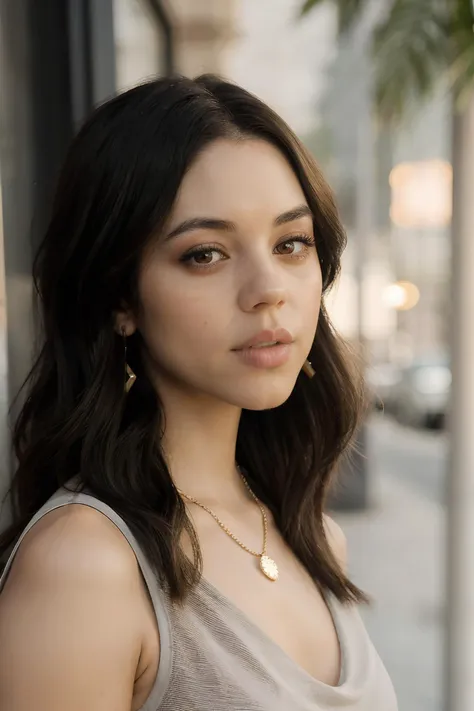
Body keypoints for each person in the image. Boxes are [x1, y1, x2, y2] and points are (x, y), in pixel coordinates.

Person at [0, 74, 397, 711]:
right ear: (120, 298)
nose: (269, 288)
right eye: (205, 254)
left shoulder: (313, 535)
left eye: (291, 243)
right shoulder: (85, 568)